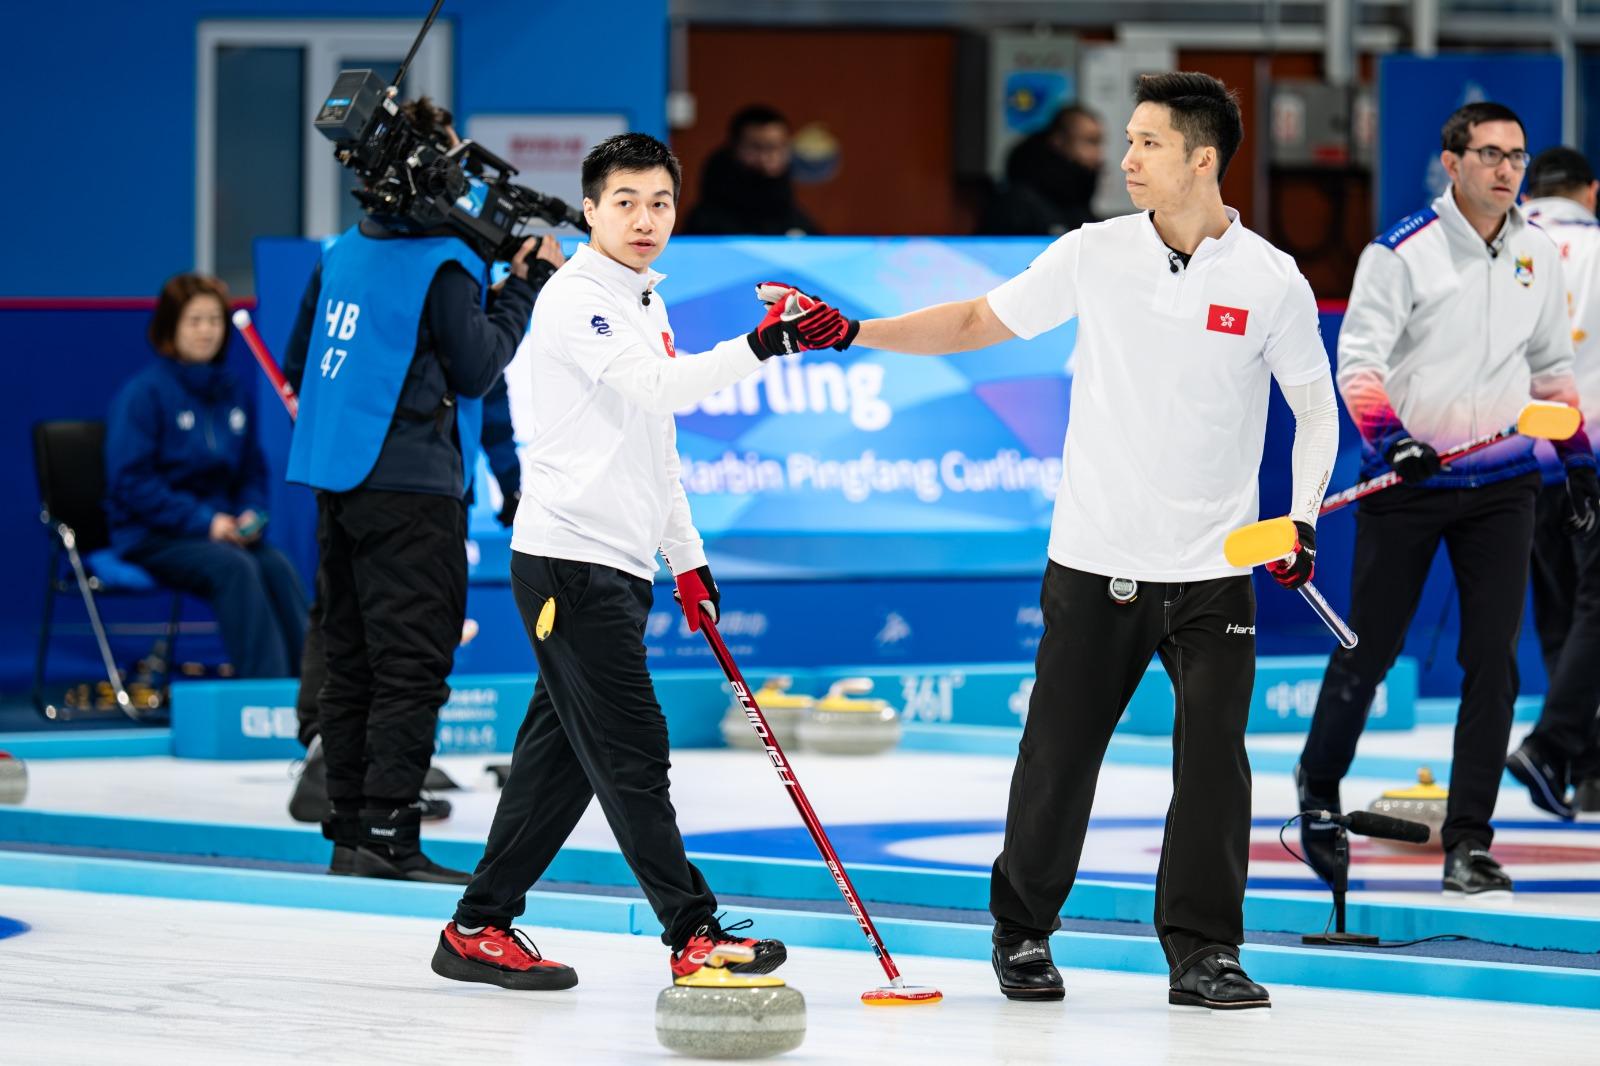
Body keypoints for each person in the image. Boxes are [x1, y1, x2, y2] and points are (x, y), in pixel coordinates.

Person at [771, 72, 1338, 1009]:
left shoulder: (1271, 277)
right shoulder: (1094, 253)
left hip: (1212, 570)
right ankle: (1023, 932)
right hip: (1097, 558)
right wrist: (853, 333)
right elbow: (972, 321)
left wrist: (1302, 516)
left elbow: (1314, 411)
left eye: (1146, 143)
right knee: (1058, 756)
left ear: (1203, 158)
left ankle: (1204, 953)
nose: (1126, 160)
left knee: (1214, 770)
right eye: (1125, 141)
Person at [428, 133, 846, 992]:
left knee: (564, 758)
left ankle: (478, 925)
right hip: (569, 563)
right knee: (630, 745)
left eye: (659, 202)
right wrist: (763, 347)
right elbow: (663, 389)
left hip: (617, 564)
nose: (645, 218)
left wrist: (686, 560)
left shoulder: (640, 299)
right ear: (589, 210)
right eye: (625, 202)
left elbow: (656, 442)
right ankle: (693, 932)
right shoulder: (580, 296)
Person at [1295, 103, 1595, 895]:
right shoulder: (1400, 254)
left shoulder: (1537, 250)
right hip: (1411, 483)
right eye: (1490, 154)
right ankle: (1318, 789)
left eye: (1517, 156)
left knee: (1492, 665)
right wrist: (1393, 439)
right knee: (1371, 651)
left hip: (1503, 487)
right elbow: (1357, 365)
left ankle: (1469, 842)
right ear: (1452, 161)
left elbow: (1552, 370)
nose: (1506, 169)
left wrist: (1581, 464)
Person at [282, 95, 547, 885]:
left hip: (339, 479)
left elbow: (303, 361)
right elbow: (477, 367)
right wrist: (521, 290)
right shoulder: (445, 264)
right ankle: (392, 836)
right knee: (411, 664)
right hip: (414, 489)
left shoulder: (340, 253)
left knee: (354, 657)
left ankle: (351, 832)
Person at [105, 272, 308, 678]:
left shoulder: (232, 392)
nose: (206, 331)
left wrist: (251, 513)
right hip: (154, 535)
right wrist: (206, 522)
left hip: (224, 533)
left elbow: (251, 470)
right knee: (236, 569)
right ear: (171, 327)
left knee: (277, 566)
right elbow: (132, 482)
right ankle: (264, 697)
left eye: (214, 320)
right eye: (194, 321)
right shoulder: (144, 395)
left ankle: (313, 694)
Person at [1508, 146, 1600, 818]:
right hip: (1591, 455)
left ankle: (1585, 771)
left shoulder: (1503, 250)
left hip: (1520, 457)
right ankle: (1552, 746)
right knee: (1594, 609)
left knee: (1561, 610)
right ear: (1590, 191)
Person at [682, 105, 821, 236]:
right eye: (756, 147)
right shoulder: (705, 222)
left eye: (775, 148)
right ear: (734, 149)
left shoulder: (797, 220)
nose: (765, 158)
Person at [981, 105, 1105, 236]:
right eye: (1090, 141)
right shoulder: (1017, 205)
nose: (1098, 154)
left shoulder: (1078, 199)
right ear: (1059, 141)